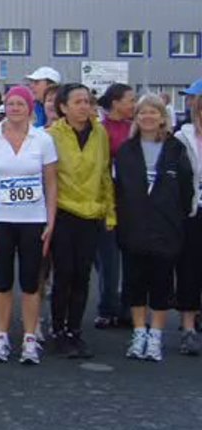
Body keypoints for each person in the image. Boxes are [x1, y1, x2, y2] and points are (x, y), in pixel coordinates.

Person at [0, 86, 58, 364]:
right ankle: (1, 336)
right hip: (0, 219)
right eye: (10, 103)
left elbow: (51, 183)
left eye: (20, 104)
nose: (14, 108)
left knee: (31, 282)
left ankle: (30, 338)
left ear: (30, 107)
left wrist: (51, 219)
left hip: (33, 220)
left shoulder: (43, 140)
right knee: (2, 281)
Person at [115, 95, 194, 362]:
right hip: (134, 227)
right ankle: (139, 333)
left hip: (166, 228)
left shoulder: (175, 149)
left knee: (161, 284)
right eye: (142, 113)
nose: (147, 117)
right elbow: (119, 190)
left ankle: (156, 335)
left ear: (163, 117)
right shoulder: (126, 150)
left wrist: (176, 218)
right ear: (135, 118)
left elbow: (186, 190)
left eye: (153, 112)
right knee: (135, 283)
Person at [47, 83, 115, 359]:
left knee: (82, 276)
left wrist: (110, 211)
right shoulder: (52, 135)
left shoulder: (100, 133)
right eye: (77, 102)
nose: (84, 106)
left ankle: (75, 330)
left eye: (87, 101)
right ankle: (59, 329)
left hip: (92, 213)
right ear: (63, 107)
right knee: (64, 274)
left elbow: (105, 175)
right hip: (63, 211)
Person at [92, 83, 135, 330]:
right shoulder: (102, 130)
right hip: (106, 199)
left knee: (130, 257)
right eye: (130, 99)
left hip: (131, 202)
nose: (133, 104)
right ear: (116, 102)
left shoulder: (134, 129)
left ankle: (127, 306)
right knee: (107, 259)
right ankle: (108, 307)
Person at [174, 79, 202, 355]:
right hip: (192, 211)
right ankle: (188, 325)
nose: (192, 104)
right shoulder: (182, 137)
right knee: (189, 268)